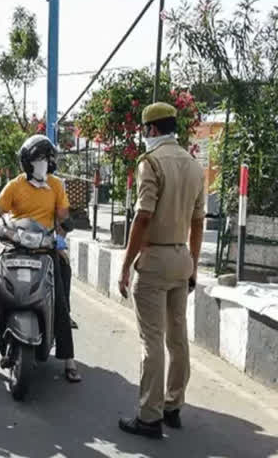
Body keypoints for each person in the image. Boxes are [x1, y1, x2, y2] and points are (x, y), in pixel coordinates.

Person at [117, 102, 205, 439]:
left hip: (153, 262)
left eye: (144, 131)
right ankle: (173, 406)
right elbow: (198, 224)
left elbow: (143, 217)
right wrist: (194, 264)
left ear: (152, 130)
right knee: (178, 338)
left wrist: (126, 265)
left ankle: (149, 417)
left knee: (151, 340)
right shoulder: (193, 165)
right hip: (182, 259)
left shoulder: (150, 162)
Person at [0, 135, 82, 383]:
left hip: (45, 248)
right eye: (38, 159)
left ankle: (69, 360)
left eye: (46, 159)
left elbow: (63, 218)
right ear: (27, 162)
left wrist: (61, 235)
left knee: (61, 300)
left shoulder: (56, 186)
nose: (42, 164)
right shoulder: (14, 186)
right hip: (16, 246)